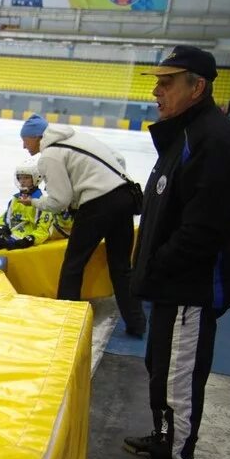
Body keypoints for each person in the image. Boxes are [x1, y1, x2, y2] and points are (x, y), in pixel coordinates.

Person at [111, 45, 230, 459]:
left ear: (197, 87)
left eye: (167, 82)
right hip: (170, 286)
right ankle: (162, 439)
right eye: (157, 81)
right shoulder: (185, 132)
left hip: (188, 289)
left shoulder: (212, 141)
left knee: (177, 386)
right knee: (160, 373)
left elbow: (205, 230)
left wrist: (156, 265)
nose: (156, 90)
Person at [20, 113, 146, 337]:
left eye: (25, 140)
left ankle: (65, 324)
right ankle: (136, 323)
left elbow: (60, 201)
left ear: (37, 137)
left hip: (97, 204)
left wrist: (34, 201)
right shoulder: (78, 137)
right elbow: (118, 159)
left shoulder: (50, 155)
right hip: (123, 196)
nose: (23, 145)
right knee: (121, 266)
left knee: (73, 265)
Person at [0, 159, 54, 254]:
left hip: (19, 239)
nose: (22, 181)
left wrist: (28, 240)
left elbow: (43, 230)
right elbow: (5, 218)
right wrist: (1, 229)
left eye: (26, 178)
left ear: (36, 178)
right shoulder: (16, 199)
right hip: (9, 234)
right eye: (20, 178)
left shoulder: (42, 202)